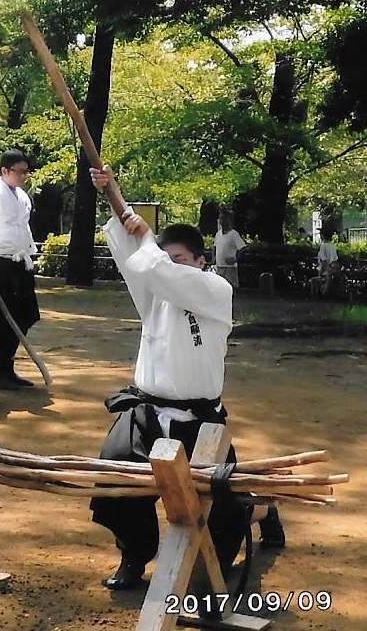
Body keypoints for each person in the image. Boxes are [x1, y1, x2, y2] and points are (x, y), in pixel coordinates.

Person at [86, 166, 281, 591]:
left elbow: (159, 270)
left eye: (180, 260)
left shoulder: (215, 292)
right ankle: (133, 557)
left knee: (221, 505)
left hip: (200, 422)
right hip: (144, 413)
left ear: (200, 262)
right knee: (117, 482)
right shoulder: (155, 292)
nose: (171, 267)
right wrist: (116, 201)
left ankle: (264, 510)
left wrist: (146, 238)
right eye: (167, 257)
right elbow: (137, 266)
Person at [0, 148, 40, 391]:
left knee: (24, 314)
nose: (23, 176)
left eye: (26, 172)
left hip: (19, 261)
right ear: (4, 170)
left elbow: (23, 229)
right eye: (19, 172)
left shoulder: (23, 197)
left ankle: (8, 365)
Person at [212, 212, 245, 289]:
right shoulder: (218, 234)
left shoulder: (234, 234)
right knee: (219, 288)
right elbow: (214, 247)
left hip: (229, 267)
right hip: (219, 266)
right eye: (221, 219)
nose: (221, 221)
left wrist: (235, 260)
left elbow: (242, 248)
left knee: (230, 288)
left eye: (223, 219)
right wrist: (213, 258)